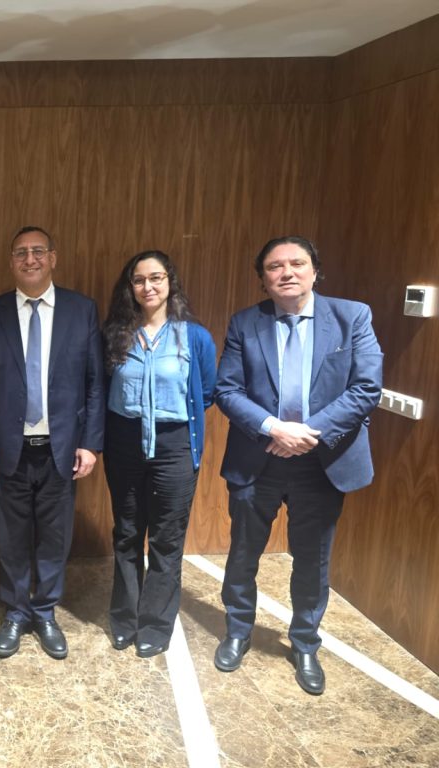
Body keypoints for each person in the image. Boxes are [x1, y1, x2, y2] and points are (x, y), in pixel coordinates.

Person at [213, 235, 382, 695]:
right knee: (244, 552)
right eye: (274, 266)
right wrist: (274, 428)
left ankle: (305, 642)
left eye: (297, 263)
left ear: (314, 270)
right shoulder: (245, 323)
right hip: (259, 458)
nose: (286, 272)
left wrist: (307, 434)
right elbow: (227, 390)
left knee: (313, 559)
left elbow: (366, 388)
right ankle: (237, 631)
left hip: (322, 461)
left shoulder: (352, 317)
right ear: (263, 278)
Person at [0, 226, 104, 659]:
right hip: (7, 449)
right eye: (21, 253)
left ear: (53, 258)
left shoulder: (81, 310)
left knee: (54, 538)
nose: (30, 259)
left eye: (38, 251)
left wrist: (91, 443)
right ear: (11, 261)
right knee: (10, 538)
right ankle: (15, 612)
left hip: (61, 449)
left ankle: (44, 612)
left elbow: (95, 383)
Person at [102, 251, 216, 657]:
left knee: (167, 539)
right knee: (127, 533)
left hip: (174, 446)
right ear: (129, 287)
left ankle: (154, 624)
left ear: (170, 282)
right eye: (139, 280)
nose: (147, 286)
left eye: (156, 277)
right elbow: (101, 388)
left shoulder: (194, 337)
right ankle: (124, 618)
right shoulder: (115, 334)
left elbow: (206, 392)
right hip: (124, 443)